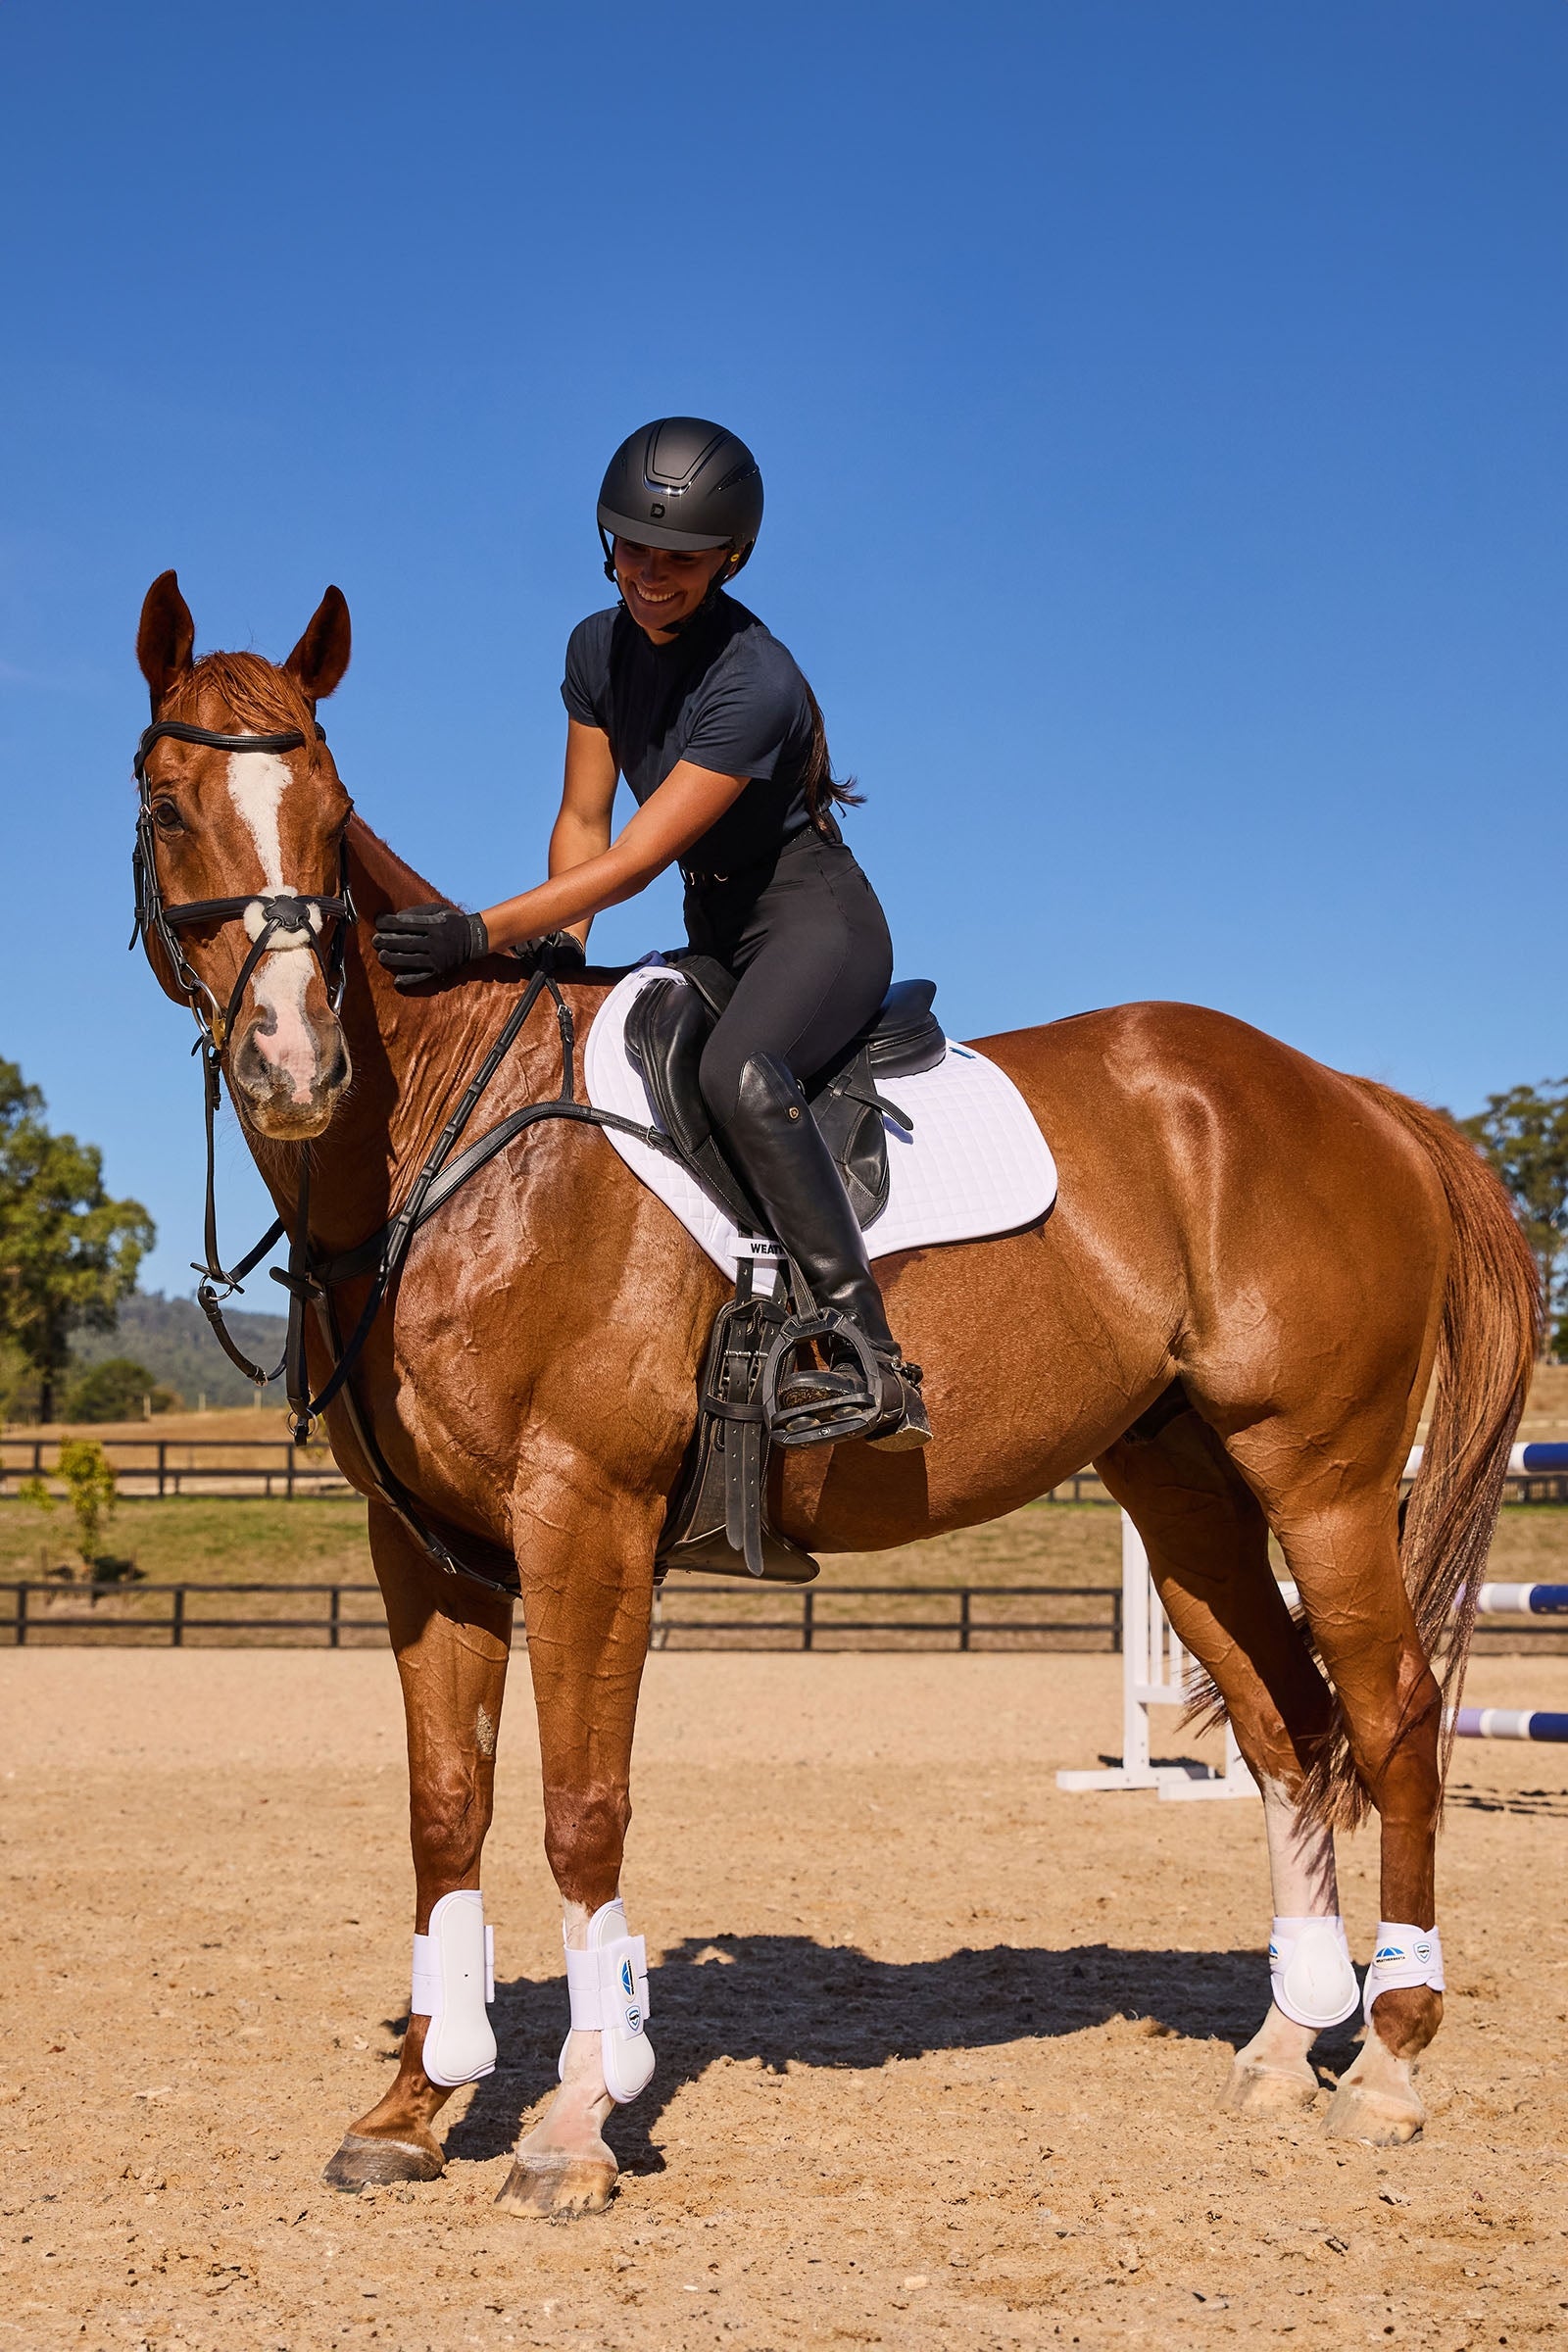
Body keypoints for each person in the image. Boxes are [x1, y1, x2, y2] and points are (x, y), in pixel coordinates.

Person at [373, 416, 928, 1450]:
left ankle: (867, 1353)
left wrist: (474, 932)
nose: (650, 573)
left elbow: (629, 857)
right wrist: (559, 950)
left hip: (813, 919)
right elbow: (583, 820)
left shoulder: (755, 679)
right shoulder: (594, 648)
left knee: (741, 1075)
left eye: (680, 557)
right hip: (711, 923)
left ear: (730, 558)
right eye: (633, 547)